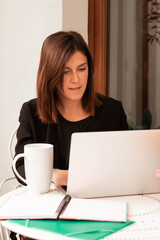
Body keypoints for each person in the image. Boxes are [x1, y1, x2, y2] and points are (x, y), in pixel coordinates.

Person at [14, 30, 128, 187]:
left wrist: (63, 177)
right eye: (66, 71)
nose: (76, 79)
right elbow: (20, 167)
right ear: (50, 74)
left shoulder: (112, 111)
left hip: (102, 202)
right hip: (49, 205)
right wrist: (57, 176)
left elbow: (125, 166)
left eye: (82, 69)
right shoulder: (31, 112)